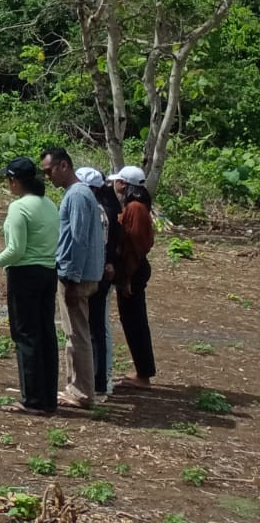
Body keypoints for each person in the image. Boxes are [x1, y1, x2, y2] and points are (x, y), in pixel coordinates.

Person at [0, 157, 60, 415]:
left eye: (9, 180)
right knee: (45, 334)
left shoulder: (19, 208)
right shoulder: (49, 205)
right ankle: (48, 398)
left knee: (26, 335)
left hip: (25, 276)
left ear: (16, 181)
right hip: (47, 273)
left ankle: (32, 399)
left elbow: (16, 251)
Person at [40, 146, 105, 408]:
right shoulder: (79, 194)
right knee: (77, 332)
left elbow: (77, 240)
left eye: (49, 170)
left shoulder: (76, 196)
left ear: (64, 165)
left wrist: (71, 278)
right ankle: (76, 388)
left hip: (75, 275)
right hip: (80, 273)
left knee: (76, 334)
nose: (48, 177)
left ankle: (81, 392)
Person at [110, 166, 157, 390]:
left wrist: (127, 276)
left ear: (125, 185)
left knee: (135, 321)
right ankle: (142, 371)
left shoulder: (135, 208)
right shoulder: (136, 206)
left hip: (133, 270)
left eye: (117, 181)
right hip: (133, 269)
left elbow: (134, 246)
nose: (114, 185)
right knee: (132, 320)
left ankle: (143, 374)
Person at [77, 167, 121, 399]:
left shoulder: (96, 211)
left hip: (93, 275)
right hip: (101, 272)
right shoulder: (106, 209)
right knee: (96, 329)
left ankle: (98, 382)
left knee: (93, 330)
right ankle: (100, 381)